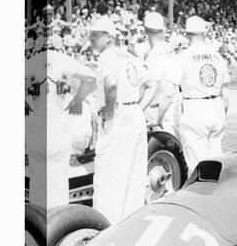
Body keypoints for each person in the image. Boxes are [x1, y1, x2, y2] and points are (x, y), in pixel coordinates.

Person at [89, 16, 149, 224]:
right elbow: (150, 85)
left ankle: (106, 225)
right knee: (133, 174)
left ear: (108, 37)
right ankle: (130, 223)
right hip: (133, 113)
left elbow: (111, 84)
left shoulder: (108, 56)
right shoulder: (130, 56)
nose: (91, 40)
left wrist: (111, 115)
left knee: (109, 175)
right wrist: (137, 108)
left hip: (118, 115)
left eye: (95, 36)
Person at [25, 48, 96, 209]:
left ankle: (39, 225)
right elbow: (91, 77)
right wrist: (78, 99)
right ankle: (56, 224)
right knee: (58, 183)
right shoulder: (61, 59)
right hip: (57, 124)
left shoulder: (33, 60)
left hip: (38, 125)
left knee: (37, 183)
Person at [165, 15, 230, 175]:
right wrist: (222, 112)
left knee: (197, 164)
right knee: (217, 159)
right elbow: (225, 92)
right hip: (216, 105)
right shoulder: (217, 56)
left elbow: (168, 91)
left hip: (195, 106)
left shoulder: (183, 57)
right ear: (204, 33)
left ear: (187, 34)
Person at [139, 12, 180, 139]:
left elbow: (164, 90)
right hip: (170, 109)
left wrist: (137, 112)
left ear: (146, 31)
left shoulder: (156, 54)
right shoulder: (168, 49)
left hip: (161, 112)